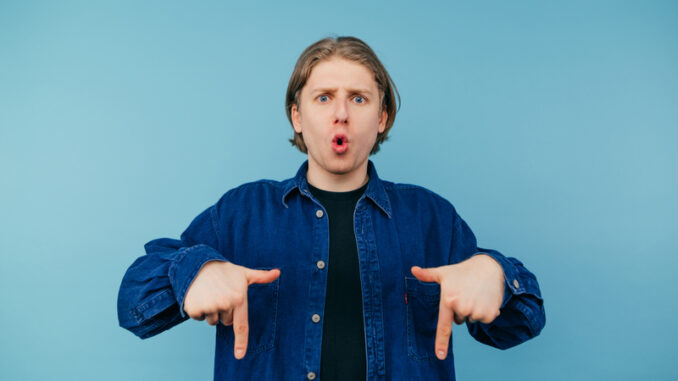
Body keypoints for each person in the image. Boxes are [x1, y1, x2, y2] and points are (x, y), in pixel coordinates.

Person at [117, 35, 545, 380]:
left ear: (382, 118)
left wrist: (498, 276)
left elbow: (522, 323)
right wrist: (195, 271)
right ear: (297, 116)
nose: (341, 114)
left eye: (358, 98)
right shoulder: (241, 211)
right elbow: (132, 305)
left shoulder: (432, 217)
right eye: (324, 98)